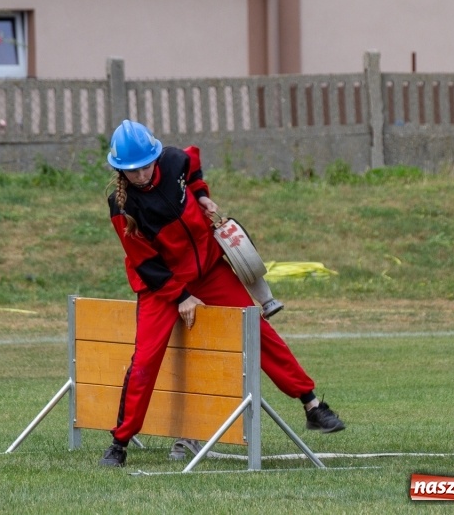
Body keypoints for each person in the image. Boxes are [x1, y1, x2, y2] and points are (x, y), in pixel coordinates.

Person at [99, 120, 345, 468]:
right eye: (130, 170)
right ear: (120, 169)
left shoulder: (172, 160)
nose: (139, 175)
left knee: (257, 332)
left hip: (211, 270)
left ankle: (312, 404)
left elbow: (193, 161)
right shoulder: (121, 207)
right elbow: (144, 263)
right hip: (162, 285)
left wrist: (201, 195)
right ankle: (120, 442)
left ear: (155, 156)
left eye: (144, 166)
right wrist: (180, 295)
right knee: (145, 360)